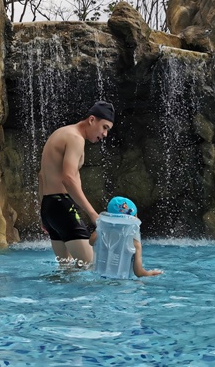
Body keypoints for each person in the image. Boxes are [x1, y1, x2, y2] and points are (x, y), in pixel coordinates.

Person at [39, 101, 114, 266]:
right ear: (92, 119)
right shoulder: (75, 138)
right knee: (90, 266)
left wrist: (44, 213)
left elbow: (41, 176)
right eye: (105, 127)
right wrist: (92, 213)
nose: (105, 134)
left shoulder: (60, 133)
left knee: (66, 268)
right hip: (62, 206)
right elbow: (68, 178)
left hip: (49, 206)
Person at [92, 196, 162, 278]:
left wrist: (102, 226)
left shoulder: (100, 234)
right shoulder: (135, 242)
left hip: (99, 277)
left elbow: (91, 242)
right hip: (122, 283)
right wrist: (149, 273)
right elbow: (138, 272)